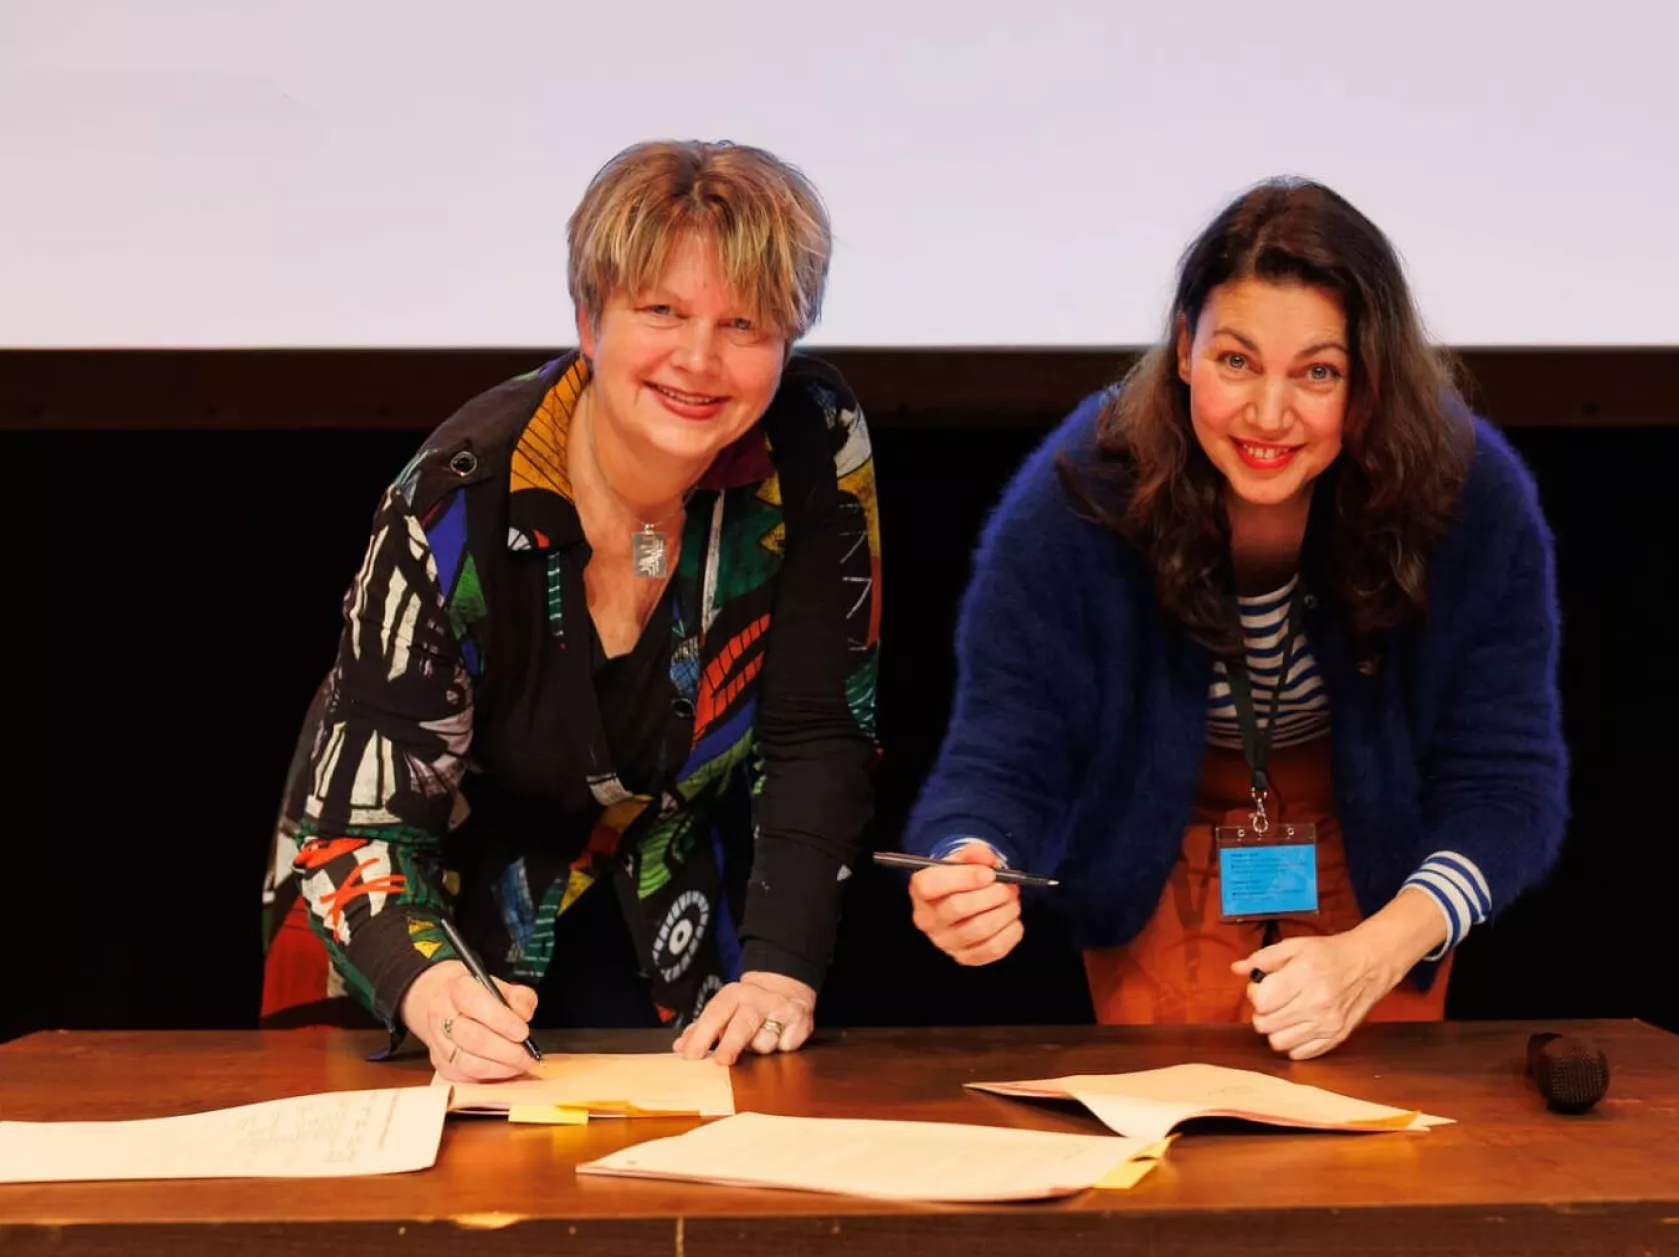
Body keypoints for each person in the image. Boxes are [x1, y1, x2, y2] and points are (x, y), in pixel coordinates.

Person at [260, 140, 882, 1080]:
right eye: (661, 312)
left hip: (653, 911)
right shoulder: (455, 499)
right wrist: (433, 996)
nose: (700, 359)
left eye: (745, 324)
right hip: (410, 920)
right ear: (589, 321)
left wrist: (782, 973)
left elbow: (819, 734)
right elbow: (358, 831)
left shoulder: (813, 442)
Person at [903, 178, 1566, 1059]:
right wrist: (969, 857)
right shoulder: (1083, 489)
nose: (1267, 415)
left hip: (1375, 840)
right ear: (1184, 350)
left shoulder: (1464, 492)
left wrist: (1380, 950)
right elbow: (1006, 742)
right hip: (1163, 828)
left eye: (1319, 372)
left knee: (1379, 1139)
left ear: (1371, 376)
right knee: (1170, 1127)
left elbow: (1506, 782)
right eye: (1236, 361)